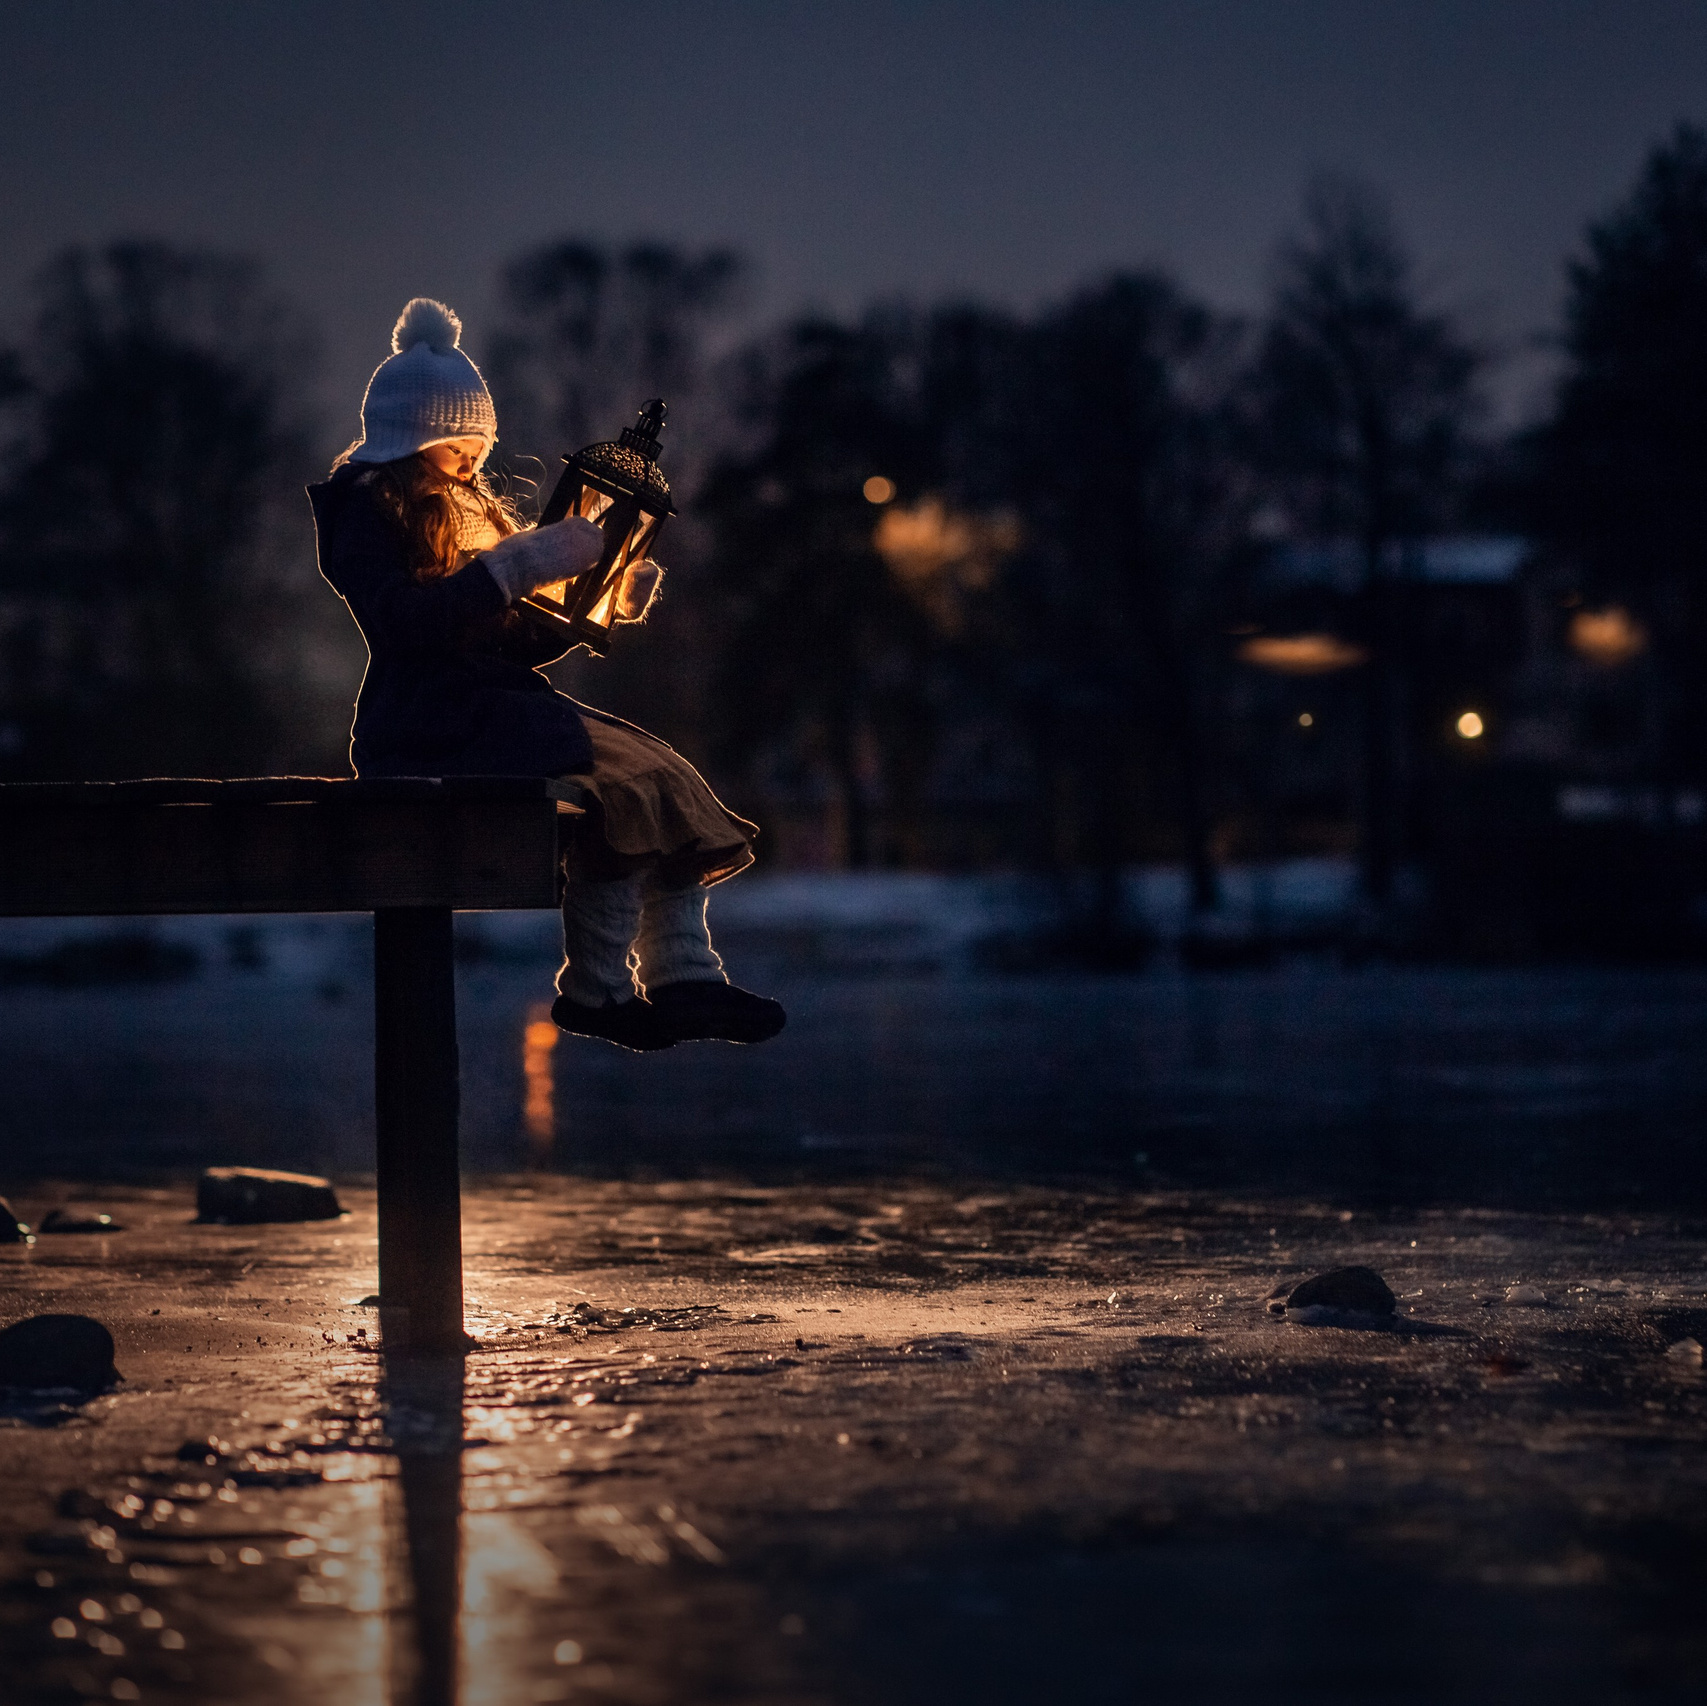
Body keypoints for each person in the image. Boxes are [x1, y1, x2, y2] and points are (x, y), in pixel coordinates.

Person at [308, 297, 784, 1052]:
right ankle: (597, 989)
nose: (474, 459)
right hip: (427, 722)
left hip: (492, 709)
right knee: (620, 787)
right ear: (416, 436)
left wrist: (603, 603)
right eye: (459, 443)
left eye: (479, 442)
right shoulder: (363, 515)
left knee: (660, 771)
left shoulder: (464, 508)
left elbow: (506, 645)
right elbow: (407, 626)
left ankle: (686, 977)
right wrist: (514, 567)